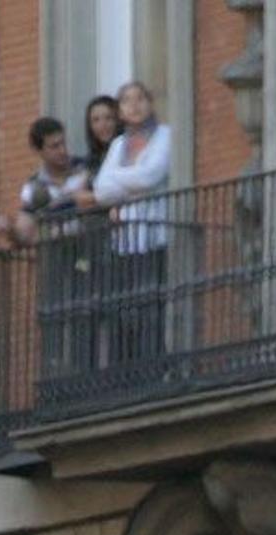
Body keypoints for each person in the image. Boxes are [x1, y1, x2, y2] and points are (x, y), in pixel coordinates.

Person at [91, 80, 172, 365]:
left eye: (140, 98)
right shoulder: (117, 145)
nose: (134, 105)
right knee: (126, 309)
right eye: (126, 100)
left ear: (150, 103)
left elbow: (152, 175)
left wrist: (119, 181)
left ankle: (155, 363)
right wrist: (133, 181)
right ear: (121, 111)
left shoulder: (165, 135)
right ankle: (129, 366)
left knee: (153, 307)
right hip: (124, 243)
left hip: (155, 236)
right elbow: (101, 191)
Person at [0, 116, 91, 249]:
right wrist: (10, 231)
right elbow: (24, 233)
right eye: (54, 146)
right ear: (38, 151)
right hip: (58, 259)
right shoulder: (34, 187)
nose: (62, 150)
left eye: (63, 143)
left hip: (91, 250)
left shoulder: (84, 168)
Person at [83, 95, 121, 176]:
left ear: (118, 120)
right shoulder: (92, 159)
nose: (102, 125)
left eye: (108, 118)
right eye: (96, 120)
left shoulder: (128, 153)